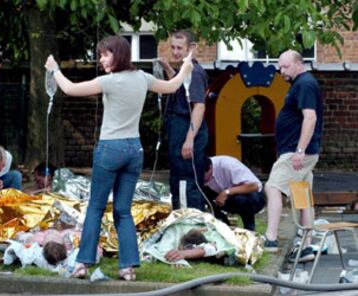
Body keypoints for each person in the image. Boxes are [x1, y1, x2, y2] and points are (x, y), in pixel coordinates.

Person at [44, 35, 193, 281]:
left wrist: (55, 69)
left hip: (110, 149)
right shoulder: (143, 78)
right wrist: (186, 67)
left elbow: (69, 89)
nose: (101, 59)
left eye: (105, 54)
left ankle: (82, 264)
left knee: (95, 208)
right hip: (134, 150)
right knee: (123, 211)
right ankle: (128, 268)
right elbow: (173, 86)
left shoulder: (109, 81)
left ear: (119, 55)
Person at [263, 50, 323, 262]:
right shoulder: (302, 83)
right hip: (301, 151)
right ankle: (306, 247)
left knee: (272, 187)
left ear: (299, 64)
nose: (281, 71)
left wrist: (299, 151)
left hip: (296, 152)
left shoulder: (305, 84)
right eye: (280, 67)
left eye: (285, 67)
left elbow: (310, 117)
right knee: (302, 196)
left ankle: (270, 239)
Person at [159, 30, 209, 211]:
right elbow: (178, 86)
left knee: (185, 181)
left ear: (191, 48)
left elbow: (199, 106)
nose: (175, 52)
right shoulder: (184, 70)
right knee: (178, 178)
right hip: (178, 131)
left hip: (186, 131)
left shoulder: (194, 73)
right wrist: (167, 68)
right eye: (172, 47)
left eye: (180, 48)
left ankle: (188, 226)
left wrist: (189, 139)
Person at [203, 156, 265, 231]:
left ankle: (250, 228)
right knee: (201, 194)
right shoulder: (200, 172)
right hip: (224, 197)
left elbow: (254, 186)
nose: (204, 180)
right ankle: (224, 225)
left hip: (253, 196)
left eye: (205, 177)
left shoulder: (227, 165)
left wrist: (226, 192)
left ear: (210, 168)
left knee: (241, 199)